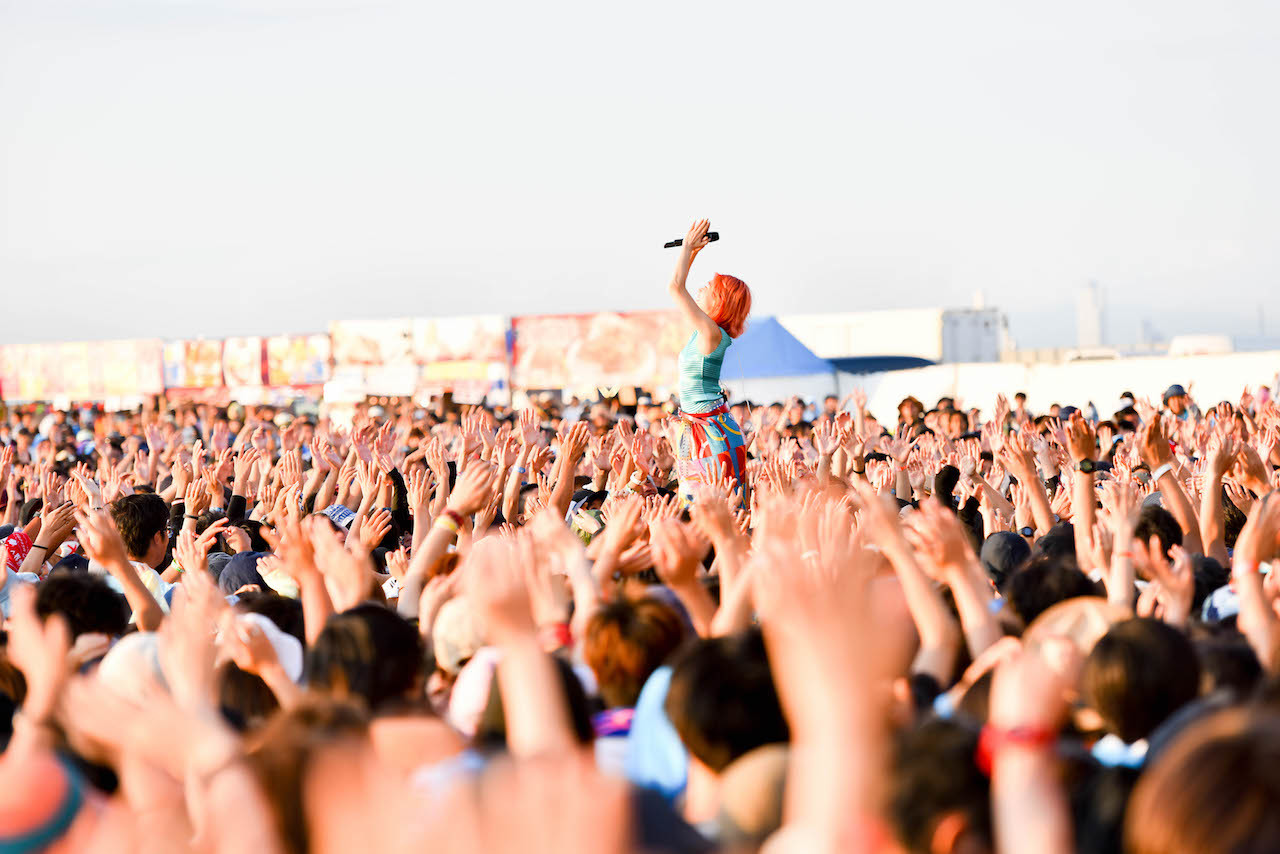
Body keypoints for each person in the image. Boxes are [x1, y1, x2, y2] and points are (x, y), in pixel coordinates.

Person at [665, 218, 752, 501]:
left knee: (709, 509)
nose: (700, 289)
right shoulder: (706, 333)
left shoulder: (710, 333)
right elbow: (680, 286)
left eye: (707, 288)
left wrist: (688, 248)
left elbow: (675, 288)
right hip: (704, 426)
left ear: (718, 301)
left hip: (708, 431)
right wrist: (691, 253)